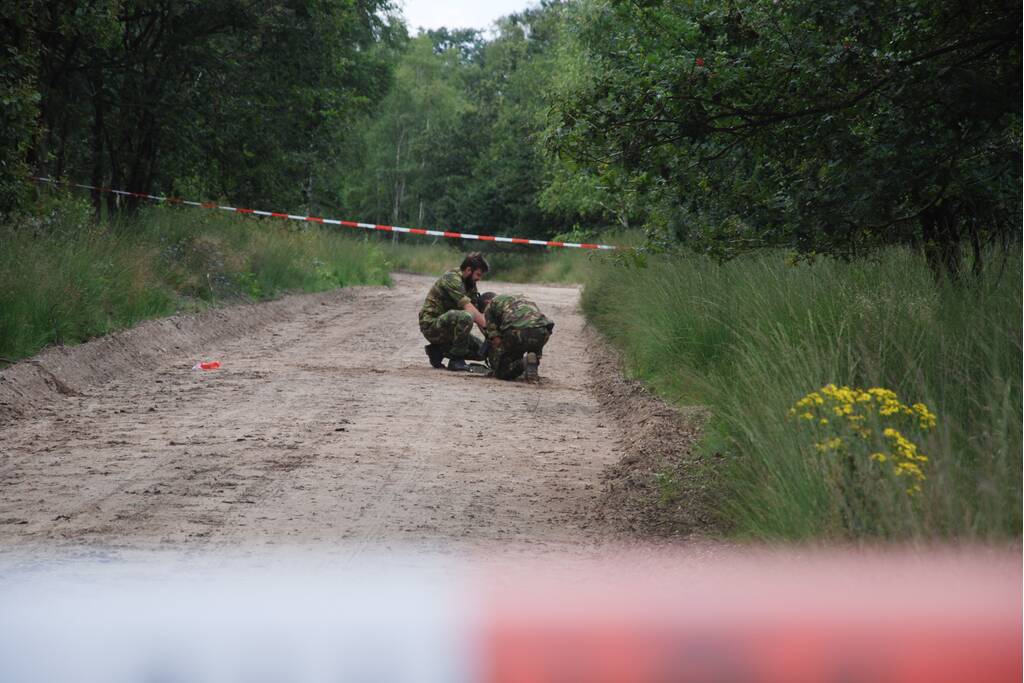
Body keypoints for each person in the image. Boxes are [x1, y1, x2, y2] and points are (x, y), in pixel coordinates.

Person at [419, 252, 490, 371]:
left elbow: (478, 314)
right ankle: (456, 360)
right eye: (478, 274)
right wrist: (493, 334)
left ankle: (438, 351)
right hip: (431, 325)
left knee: (482, 351)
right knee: (467, 316)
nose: (479, 278)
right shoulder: (451, 278)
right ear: (468, 270)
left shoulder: (471, 285)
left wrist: (491, 337)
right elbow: (470, 309)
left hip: (449, 328)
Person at [478, 292, 554, 381]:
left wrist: (498, 359)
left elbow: (497, 341)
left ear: (487, 302)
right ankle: (532, 363)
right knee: (532, 347)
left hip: (517, 332)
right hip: (543, 331)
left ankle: (523, 363)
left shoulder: (490, 305)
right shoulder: (521, 298)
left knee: (503, 371)